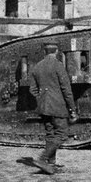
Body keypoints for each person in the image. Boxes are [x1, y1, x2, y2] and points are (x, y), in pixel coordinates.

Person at [29, 41, 78, 174]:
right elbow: (66, 89)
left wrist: (42, 98)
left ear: (45, 51)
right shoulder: (58, 66)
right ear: (56, 51)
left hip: (43, 106)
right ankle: (42, 159)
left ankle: (51, 164)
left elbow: (32, 90)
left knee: (50, 134)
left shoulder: (37, 67)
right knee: (62, 133)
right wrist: (72, 109)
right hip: (57, 106)